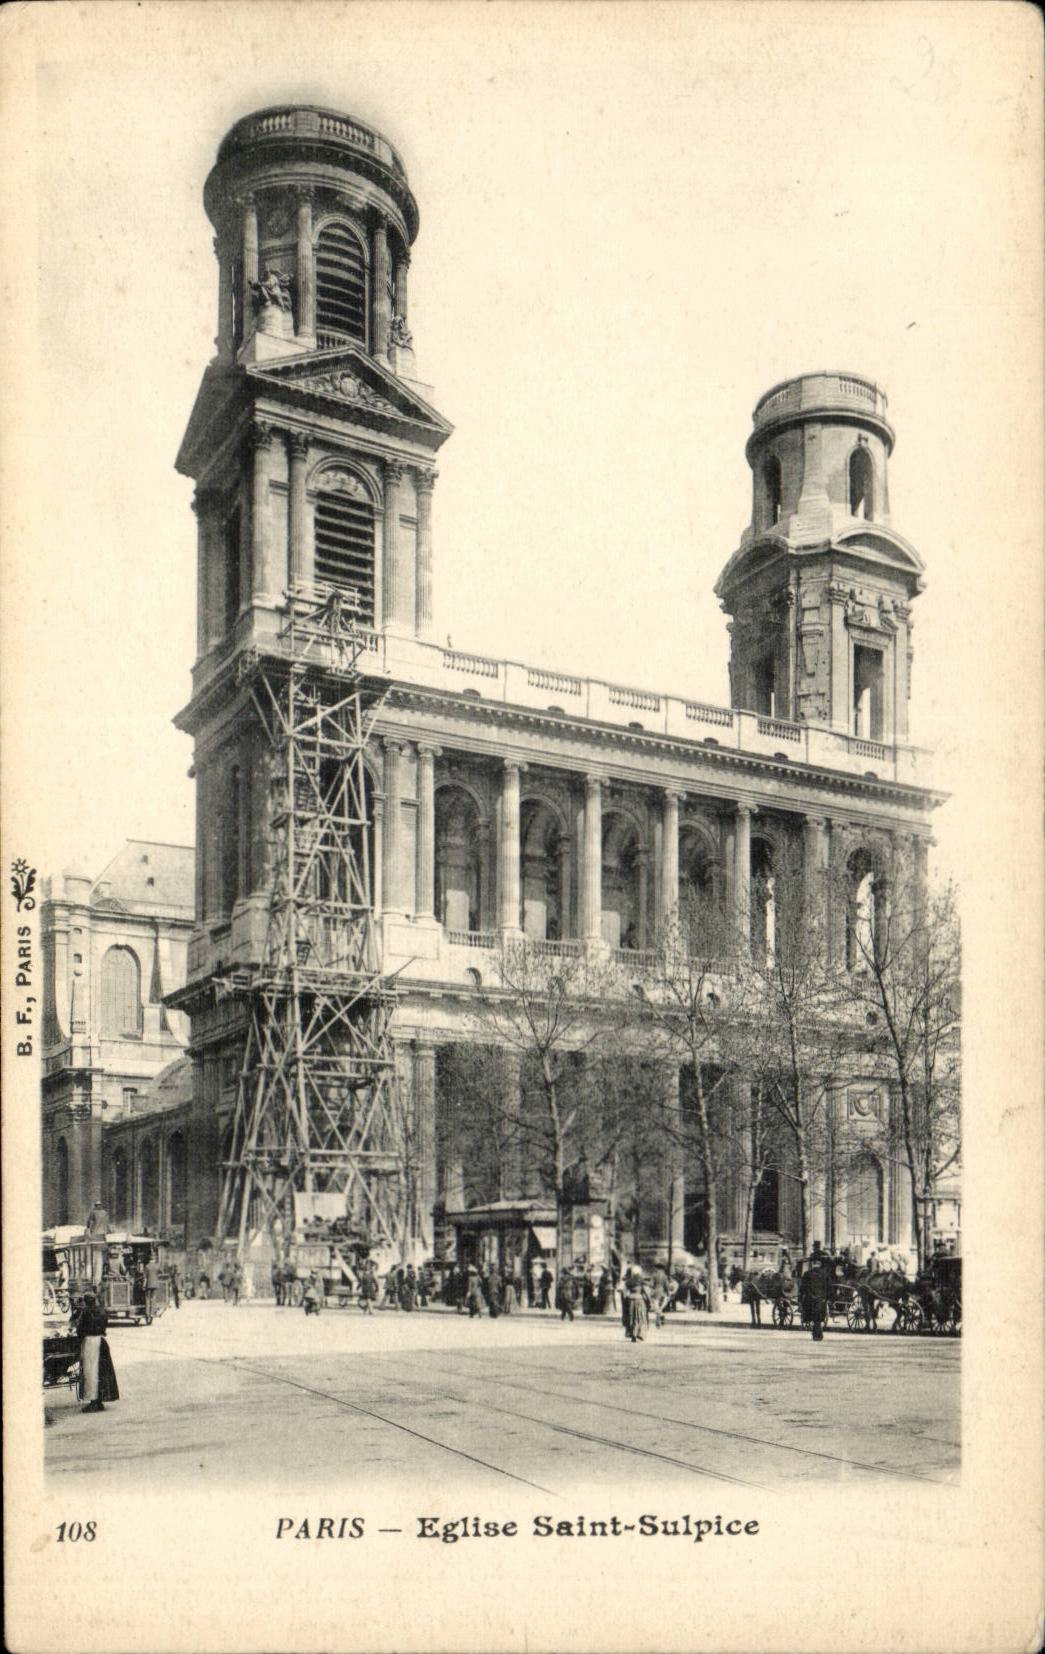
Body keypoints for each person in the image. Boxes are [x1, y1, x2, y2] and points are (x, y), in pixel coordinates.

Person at [75, 1291, 119, 1413]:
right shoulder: (102, 1311)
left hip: (90, 1343)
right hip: (101, 1342)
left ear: (86, 1301)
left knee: (91, 1372)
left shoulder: (86, 1312)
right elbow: (105, 1325)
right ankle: (99, 1401)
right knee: (101, 1372)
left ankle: (93, 1402)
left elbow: (80, 1330)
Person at [799, 1253, 830, 1341]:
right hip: (821, 1299)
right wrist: (828, 1298)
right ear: (819, 1264)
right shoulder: (825, 1274)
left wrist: (801, 1298)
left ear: (813, 1264)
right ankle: (818, 1334)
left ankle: (816, 1334)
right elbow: (828, 1287)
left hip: (810, 1299)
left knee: (813, 1317)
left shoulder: (807, 1274)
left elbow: (802, 1287)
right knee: (819, 1318)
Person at [623, 1264, 648, 1342]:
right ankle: (639, 1334)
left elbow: (625, 1292)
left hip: (630, 1299)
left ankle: (632, 1334)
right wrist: (648, 1300)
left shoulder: (629, 1281)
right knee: (639, 1317)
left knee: (631, 1317)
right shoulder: (641, 1280)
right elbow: (646, 1291)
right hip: (639, 1300)